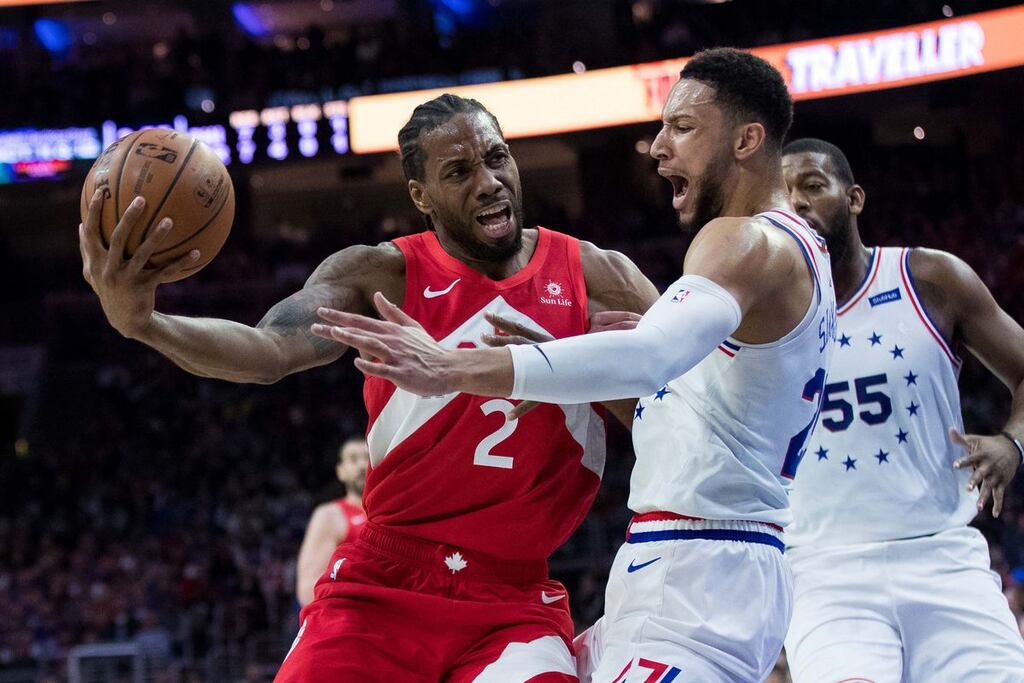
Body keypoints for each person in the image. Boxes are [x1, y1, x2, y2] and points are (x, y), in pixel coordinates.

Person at [78, 93, 659, 682]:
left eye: (496, 158)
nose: (488, 182)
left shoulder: (596, 277)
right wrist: (145, 324)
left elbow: (699, 415)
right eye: (458, 171)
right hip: (382, 583)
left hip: (512, 601)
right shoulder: (381, 275)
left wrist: (614, 373)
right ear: (420, 196)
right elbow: (267, 351)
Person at [313, 48, 837, 682]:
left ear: (748, 139)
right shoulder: (802, 250)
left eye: (683, 127)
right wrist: (570, 363)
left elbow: (649, 360)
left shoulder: (739, 238)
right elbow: (691, 389)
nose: (657, 147)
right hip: (703, 562)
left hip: (700, 571)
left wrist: (457, 367)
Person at [781, 138, 1024, 681]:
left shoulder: (930, 279)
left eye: (813, 186)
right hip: (824, 571)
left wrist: (1013, 442)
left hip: (943, 558)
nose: (796, 203)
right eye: (784, 194)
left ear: (854, 198)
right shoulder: (753, 315)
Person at [295, 437, 369, 607]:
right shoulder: (329, 515)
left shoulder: (393, 512)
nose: (361, 465)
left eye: (367, 458)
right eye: (353, 459)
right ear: (340, 471)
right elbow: (308, 589)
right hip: (353, 620)